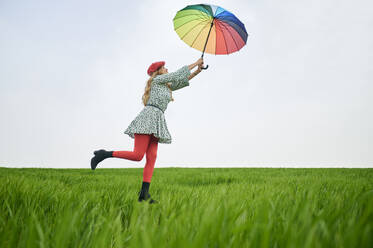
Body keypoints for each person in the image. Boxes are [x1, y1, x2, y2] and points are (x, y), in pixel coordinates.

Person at [90, 57, 204, 204]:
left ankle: (144, 194)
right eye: (164, 68)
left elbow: (180, 81)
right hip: (148, 118)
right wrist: (196, 62)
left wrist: (198, 71)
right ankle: (103, 154)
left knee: (152, 157)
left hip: (157, 120)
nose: (167, 69)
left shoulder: (165, 85)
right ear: (158, 73)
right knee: (138, 155)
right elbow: (176, 75)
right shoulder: (157, 81)